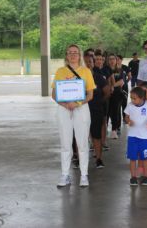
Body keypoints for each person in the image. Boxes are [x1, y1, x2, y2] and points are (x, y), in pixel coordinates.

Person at [52, 44, 96, 188]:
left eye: (75, 52)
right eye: (70, 52)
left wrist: (76, 104)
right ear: (66, 55)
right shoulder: (60, 71)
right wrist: (66, 104)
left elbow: (90, 94)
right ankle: (65, 174)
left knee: (82, 143)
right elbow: (54, 93)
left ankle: (84, 175)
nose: (73, 55)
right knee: (65, 143)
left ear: (80, 55)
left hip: (81, 108)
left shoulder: (86, 71)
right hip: (64, 109)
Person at [124, 86, 147, 186]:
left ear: (142, 98)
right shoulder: (130, 106)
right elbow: (126, 117)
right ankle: (133, 177)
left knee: (145, 158)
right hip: (132, 137)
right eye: (131, 98)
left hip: (145, 138)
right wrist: (128, 120)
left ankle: (145, 177)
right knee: (133, 158)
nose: (132, 100)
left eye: (134, 98)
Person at [89, 56, 111, 169]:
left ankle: (99, 159)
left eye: (90, 61)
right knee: (78, 137)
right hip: (80, 111)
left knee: (96, 135)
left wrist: (100, 101)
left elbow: (108, 91)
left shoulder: (99, 78)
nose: (88, 64)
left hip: (96, 110)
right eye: (85, 62)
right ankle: (77, 158)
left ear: (93, 64)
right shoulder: (76, 78)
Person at [93, 51, 113, 151]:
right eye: (97, 59)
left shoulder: (106, 70)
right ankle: (93, 142)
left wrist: (109, 90)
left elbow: (109, 83)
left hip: (104, 100)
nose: (99, 61)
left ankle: (103, 142)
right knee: (92, 122)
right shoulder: (92, 71)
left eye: (101, 59)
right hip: (93, 101)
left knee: (103, 121)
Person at [108, 53, 124, 139]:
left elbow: (121, 82)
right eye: (110, 59)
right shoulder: (105, 69)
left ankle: (114, 130)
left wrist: (112, 86)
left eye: (113, 59)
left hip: (117, 94)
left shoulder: (119, 70)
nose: (112, 61)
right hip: (107, 94)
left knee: (115, 112)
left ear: (116, 60)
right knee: (107, 112)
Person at [117, 54, 131, 126]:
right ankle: (117, 121)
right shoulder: (114, 68)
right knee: (117, 105)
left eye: (119, 59)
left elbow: (129, 76)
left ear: (121, 60)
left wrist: (126, 82)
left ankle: (125, 118)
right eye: (116, 59)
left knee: (124, 103)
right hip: (117, 89)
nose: (117, 61)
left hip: (124, 88)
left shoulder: (125, 67)